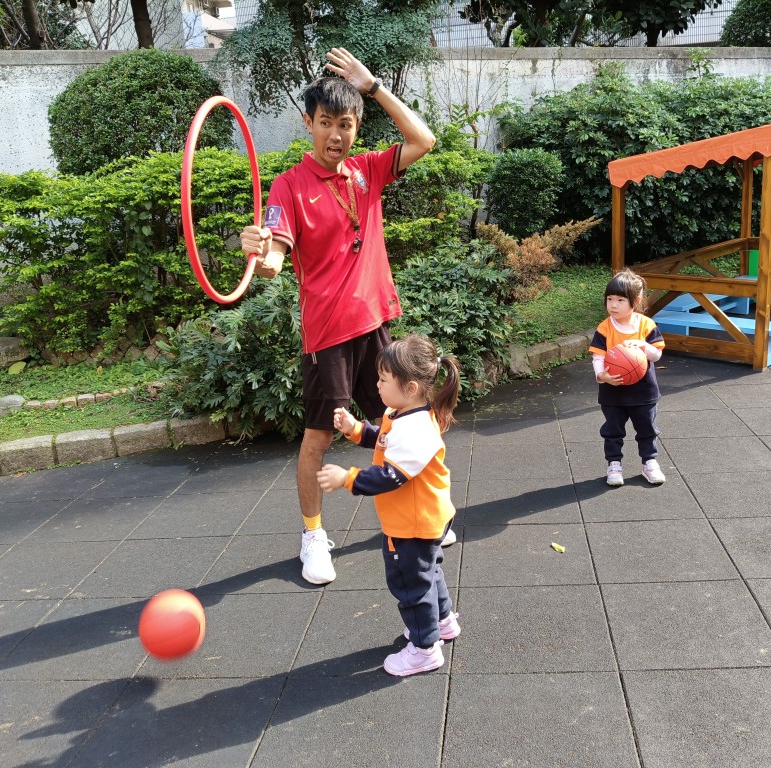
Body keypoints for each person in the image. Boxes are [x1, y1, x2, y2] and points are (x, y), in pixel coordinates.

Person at [239, 48, 437, 586]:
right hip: (327, 335)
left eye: (345, 124)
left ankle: (420, 516)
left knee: (398, 426)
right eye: (325, 122)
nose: (335, 134)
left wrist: (374, 87)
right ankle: (312, 536)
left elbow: (424, 140)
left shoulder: (367, 170)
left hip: (376, 325)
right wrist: (257, 250)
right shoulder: (288, 187)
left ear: (356, 127)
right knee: (320, 437)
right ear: (308, 123)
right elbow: (275, 263)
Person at [316, 335, 461, 676]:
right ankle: (442, 622)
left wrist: (347, 478)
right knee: (429, 572)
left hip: (412, 525)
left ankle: (424, 649)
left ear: (410, 387)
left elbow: (389, 476)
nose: (376, 385)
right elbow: (384, 439)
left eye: (383, 380)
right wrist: (356, 429)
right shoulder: (403, 413)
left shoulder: (416, 430)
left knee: (411, 585)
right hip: (427, 516)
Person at [588, 268, 666, 487]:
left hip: (644, 390)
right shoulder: (604, 328)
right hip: (613, 389)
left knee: (647, 428)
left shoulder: (646, 325)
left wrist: (643, 346)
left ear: (635, 301)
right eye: (610, 299)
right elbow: (597, 357)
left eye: (620, 300)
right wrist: (601, 375)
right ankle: (614, 464)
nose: (613, 305)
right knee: (612, 430)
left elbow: (656, 354)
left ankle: (649, 462)